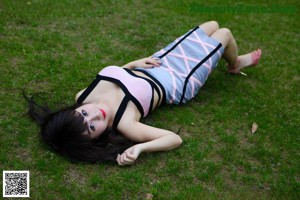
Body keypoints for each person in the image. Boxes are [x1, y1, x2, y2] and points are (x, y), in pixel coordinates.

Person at [25, 21, 262, 166]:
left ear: (74, 109)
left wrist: (135, 63)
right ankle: (236, 63)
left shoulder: (83, 96)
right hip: (179, 78)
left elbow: (117, 75)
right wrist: (139, 148)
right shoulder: (124, 122)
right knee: (225, 33)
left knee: (211, 24)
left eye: (83, 115)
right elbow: (174, 139)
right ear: (97, 137)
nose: (95, 115)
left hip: (156, 63)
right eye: (92, 128)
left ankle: (232, 59)